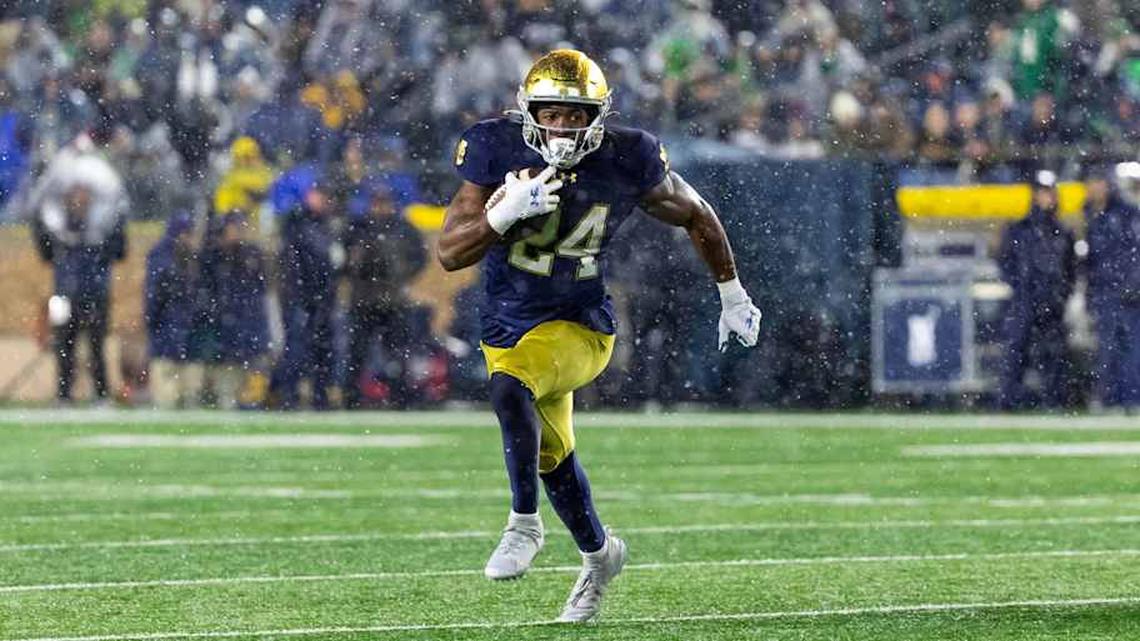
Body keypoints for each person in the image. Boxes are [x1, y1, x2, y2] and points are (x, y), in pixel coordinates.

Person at [436, 49, 762, 622]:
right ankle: (599, 554)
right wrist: (501, 216)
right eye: (551, 113)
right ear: (528, 111)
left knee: (509, 390)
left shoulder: (626, 156)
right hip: (505, 326)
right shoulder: (496, 149)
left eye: (576, 114)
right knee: (551, 456)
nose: (562, 126)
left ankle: (523, 525)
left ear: (599, 114)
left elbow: (695, 212)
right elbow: (448, 252)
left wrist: (731, 292)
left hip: (580, 326)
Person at [997, 170, 1076, 409]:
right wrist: (1022, 288)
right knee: (1016, 352)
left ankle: (1053, 401)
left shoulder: (1062, 231)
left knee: (1053, 355)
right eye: (1042, 192)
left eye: (1049, 192)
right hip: (1025, 300)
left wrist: (1060, 293)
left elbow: (1070, 268)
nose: (1046, 198)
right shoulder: (1018, 229)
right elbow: (1006, 262)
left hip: (1052, 301)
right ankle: (1009, 402)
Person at [343, 185, 427, 409]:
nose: (381, 208)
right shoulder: (359, 228)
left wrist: (401, 273)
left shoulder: (402, 229)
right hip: (364, 299)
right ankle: (351, 397)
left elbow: (419, 257)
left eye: (384, 203)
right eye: (377, 203)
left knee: (397, 353)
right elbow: (345, 261)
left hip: (392, 300)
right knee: (358, 352)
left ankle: (399, 396)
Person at [270, 175, 340, 410]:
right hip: (299, 295)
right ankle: (289, 396)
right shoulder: (298, 222)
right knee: (296, 348)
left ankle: (318, 397)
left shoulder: (326, 226)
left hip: (320, 297)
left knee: (321, 349)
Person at [200, 212, 270, 409]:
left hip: (249, 329)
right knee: (227, 385)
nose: (239, 232)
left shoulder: (252, 254)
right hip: (226, 331)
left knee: (252, 386)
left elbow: (259, 295)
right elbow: (207, 292)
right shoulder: (214, 256)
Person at [1085, 165, 1140, 410]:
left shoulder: (1128, 215)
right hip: (1105, 293)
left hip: (1127, 295)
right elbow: (1092, 263)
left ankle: (1131, 398)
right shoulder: (1094, 216)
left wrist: (1132, 285)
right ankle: (1111, 399)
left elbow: (1135, 255)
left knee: (1130, 349)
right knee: (1108, 350)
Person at [144, 211, 202, 408]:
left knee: (188, 389)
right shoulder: (163, 258)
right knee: (166, 389)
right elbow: (155, 297)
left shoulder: (189, 257)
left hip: (183, 329)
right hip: (168, 328)